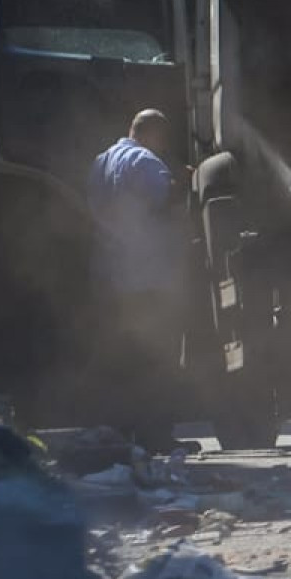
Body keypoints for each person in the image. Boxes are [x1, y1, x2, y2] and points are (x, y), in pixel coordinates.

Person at [86, 109, 193, 453]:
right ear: (154, 134)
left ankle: (120, 435)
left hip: (114, 278)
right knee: (157, 360)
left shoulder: (100, 162)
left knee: (123, 361)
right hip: (148, 278)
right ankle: (155, 437)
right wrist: (187, 181)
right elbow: (165, 199)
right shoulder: (144, 161)